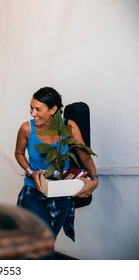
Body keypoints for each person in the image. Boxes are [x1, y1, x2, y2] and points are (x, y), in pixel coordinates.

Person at [14, 87, 98, 242]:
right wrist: (30, 172)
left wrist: (94, 180)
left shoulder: (68, 127)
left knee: (47, 242)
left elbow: (85, 158)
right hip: (34, 191)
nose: (32, 113)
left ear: (53, 109)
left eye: (38, 109)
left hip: (62, 193)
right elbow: (18, 153)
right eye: (31, 108)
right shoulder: (27, 128)